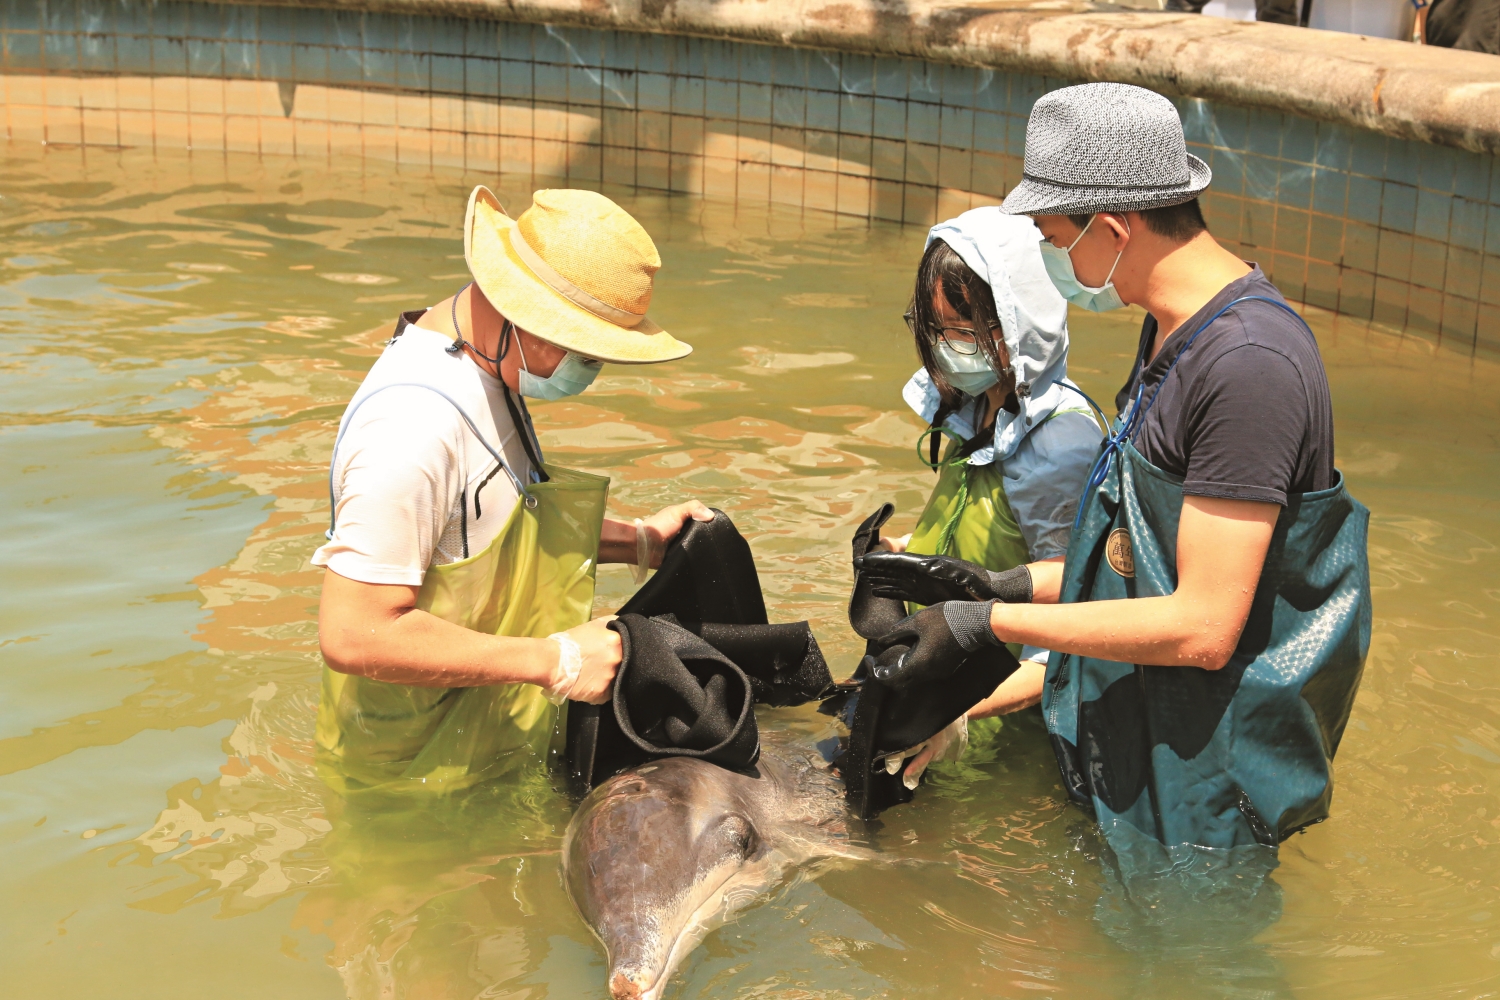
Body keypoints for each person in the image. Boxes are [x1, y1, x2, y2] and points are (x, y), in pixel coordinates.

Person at [862, 83, 1371, 851]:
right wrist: (1003, 583)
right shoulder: (1171, 334)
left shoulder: (1249, 367)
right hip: (1133, 745)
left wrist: (986, 622)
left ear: (1112, 227)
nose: (1045, 257)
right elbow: (1140, 561)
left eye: (1050, 234)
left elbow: (1202, 625)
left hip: (1204, 789)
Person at [312, 186, 712, 793]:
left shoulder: (486, 367)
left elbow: (496, 525)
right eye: (584, 351)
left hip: (486, 734)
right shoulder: (410, 430)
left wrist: (638, 541)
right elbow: (353, 631)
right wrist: (556, 662)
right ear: (520, 312)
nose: (590, 370)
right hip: (411, 773)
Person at [866, 209, 1101, 724]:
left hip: (991, 708)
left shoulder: (1060, 441)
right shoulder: (974, 402)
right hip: (933, 668)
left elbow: (1078, 612)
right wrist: (899, 555)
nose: (944, 348)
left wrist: (955, 719)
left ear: (1017, 320)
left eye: (961, 331)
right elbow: (984, 534)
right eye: (935, 329)